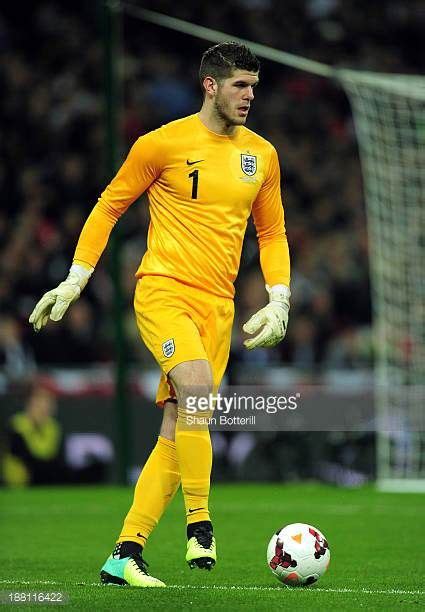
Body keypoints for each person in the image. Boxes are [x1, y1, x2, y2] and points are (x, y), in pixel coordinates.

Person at [29, 42, 291, 587]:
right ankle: (200, 525)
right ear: (210, 85)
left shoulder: (262, 155)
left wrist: (279, 296)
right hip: (163, 290)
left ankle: (125, 554)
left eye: (254, 87)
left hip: (218, 307)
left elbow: (271, 232)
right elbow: (109, 204)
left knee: (180, 425)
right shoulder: (161, 144)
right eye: (240, 85)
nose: (249, 96)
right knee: (194, 393)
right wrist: (78, 277)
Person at [2, 381, 65, 486]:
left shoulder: (53, 426)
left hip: (46, 479)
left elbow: (53, 456)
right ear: (29, 403)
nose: (44, 405)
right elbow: (27, 458)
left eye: (48, 401)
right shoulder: (16, 424)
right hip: (18, 481)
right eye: (38, 400)